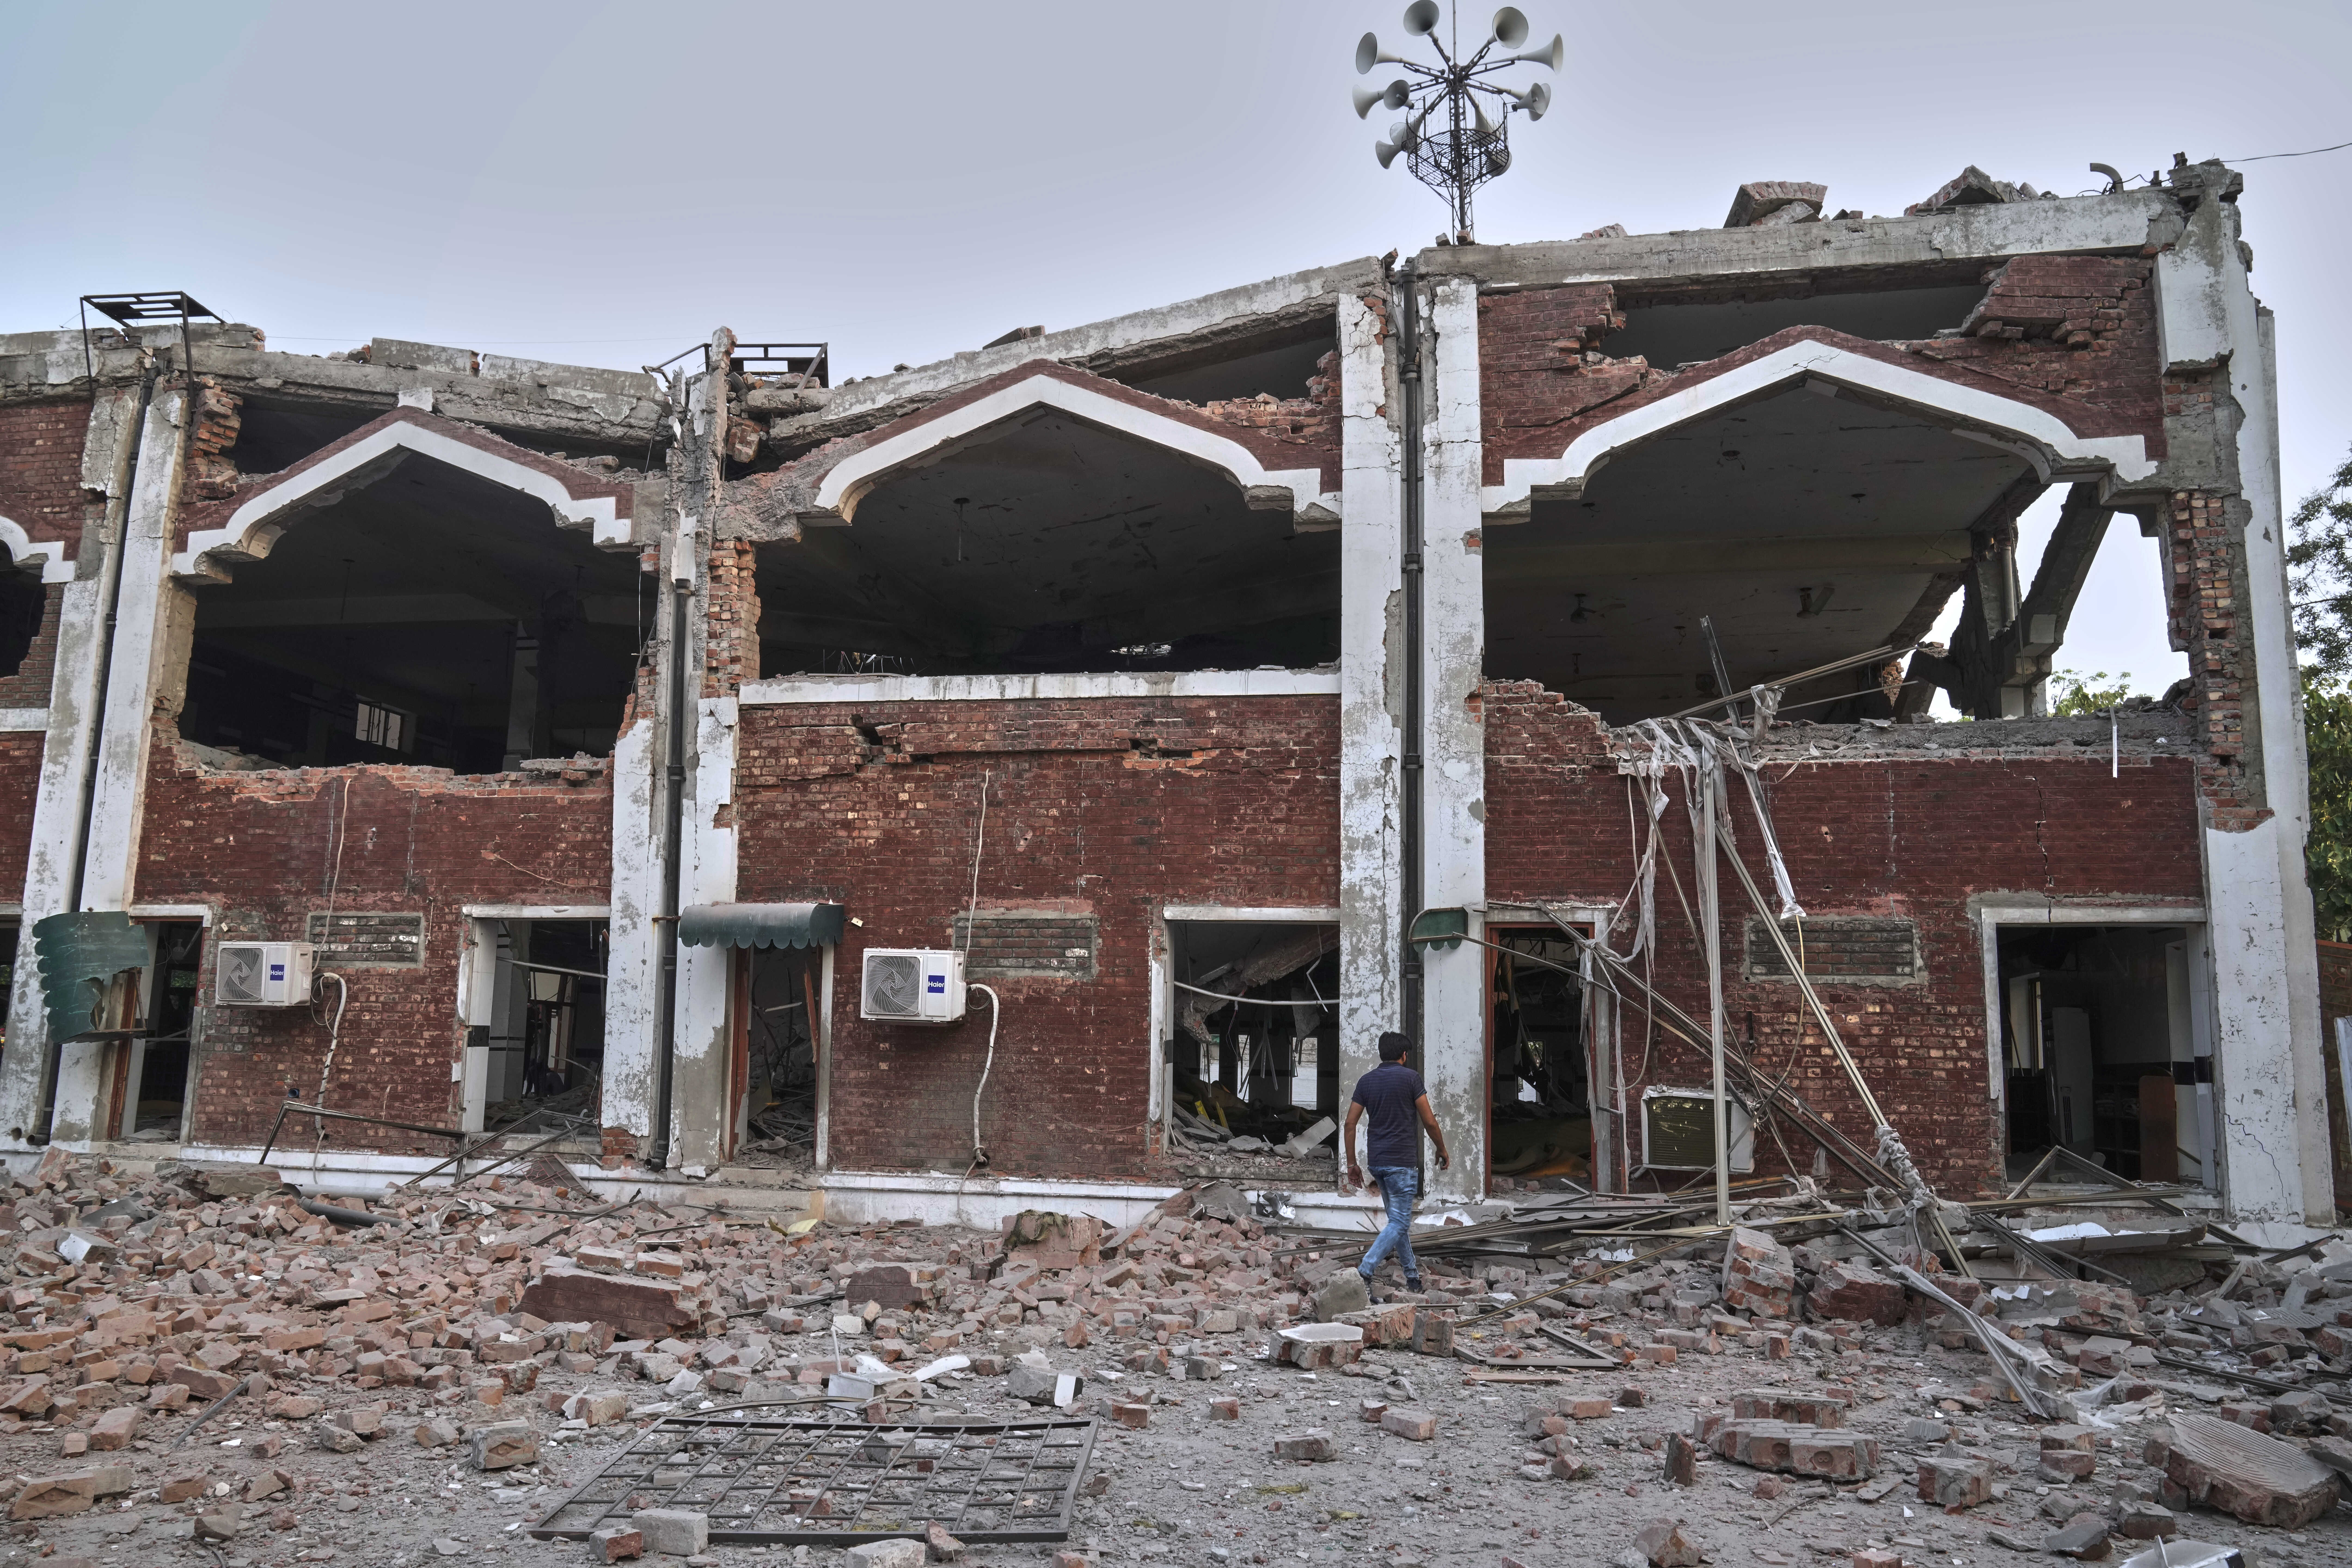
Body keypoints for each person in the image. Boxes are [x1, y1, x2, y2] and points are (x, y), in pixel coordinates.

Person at [1342, 1030, 1450, 1294]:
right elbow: (1429, 1121)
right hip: (1402, 1164)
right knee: (1400, 1223)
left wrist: (1352, 1164)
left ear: (1382, 1054)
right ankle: (1365, 1270)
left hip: (1378, 1163)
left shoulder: (1366, 1082)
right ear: (1404, 1055)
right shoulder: (1411, 1079)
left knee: (1396, 1222)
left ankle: (1413, 1279)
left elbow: (1350, 1124)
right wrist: (1442, 1149)